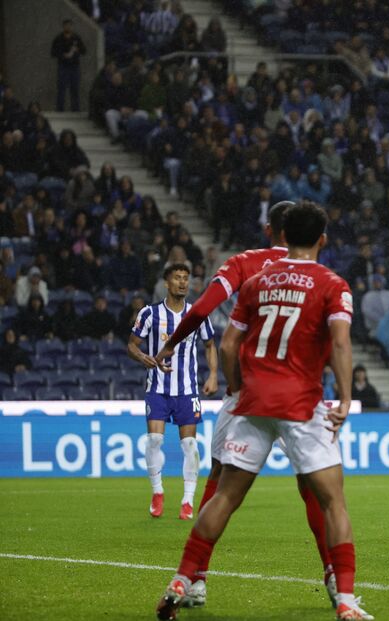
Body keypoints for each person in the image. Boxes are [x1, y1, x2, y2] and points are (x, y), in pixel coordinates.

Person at [154, 202, 373, 621]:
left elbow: (227, 342)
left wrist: (237, 387)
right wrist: (344, 399)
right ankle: (343, 596)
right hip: (303, 403)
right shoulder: (332, 283)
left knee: (224, 494)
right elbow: (341, 344)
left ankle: (185, 578)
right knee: (331, 500)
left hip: (251, 400)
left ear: (278, 232)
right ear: (322, 239)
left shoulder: (253, 276)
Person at [129, 263, 219, 524]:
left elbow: (210, 344)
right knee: (154, 440)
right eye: (177, 278)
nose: (182, 282)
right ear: (166, 283)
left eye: (185, 278)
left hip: (187, 390)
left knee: (189, 445)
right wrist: (144, 358)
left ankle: (187, 500)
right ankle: (158, 493)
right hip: (157, 387)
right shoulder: (149, 314)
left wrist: (213, 375)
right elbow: (132, 345)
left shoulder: (197, 313)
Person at [51, 19, 86, 112]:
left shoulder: (76, 38)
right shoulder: (58, 38)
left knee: (75, 89)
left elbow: (84, 50)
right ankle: (60, 110)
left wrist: (78, 50)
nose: (68, 27)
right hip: (63, 66)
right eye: (66, 25)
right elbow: (53, 53)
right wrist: (63, 55)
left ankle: (75, 110)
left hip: (74, 66)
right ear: (63, 27)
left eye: (70, 25)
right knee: (61, 89)